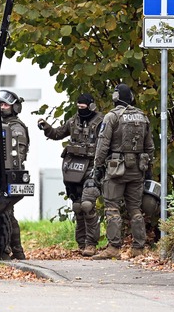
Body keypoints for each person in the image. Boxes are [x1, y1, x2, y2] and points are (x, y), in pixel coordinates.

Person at [91, 83, 155, 260]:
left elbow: (103, 143)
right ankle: (139, 248)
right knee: (135, 208)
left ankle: (113, 248)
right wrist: (148, 169)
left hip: (116, 170)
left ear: (115, 97)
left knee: (112, 207)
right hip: (137, 170)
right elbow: (150, 146)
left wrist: (97, 166)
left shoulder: (112, 117)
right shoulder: (143, 117)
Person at [37, 93, 104, 257]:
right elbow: (57, 133)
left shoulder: (101, 122)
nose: (81, 110)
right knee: (77, 207)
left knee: (88, 205)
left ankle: (91, 244)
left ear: (91, 106)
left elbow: (109, 142)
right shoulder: (73, 121)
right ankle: (81, 243)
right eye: (78, 107)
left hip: (93, 167)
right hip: (74, 168)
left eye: (84, 107)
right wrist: (46, 127)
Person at [0, 89, 28, 260]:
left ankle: (16, 250)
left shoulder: (16, 128)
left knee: (7, 212)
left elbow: (19, 154)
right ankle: (6, 249)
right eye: (0, 104)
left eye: (5, 105)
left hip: (10, 174)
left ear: (14, 107)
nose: (2, 108)